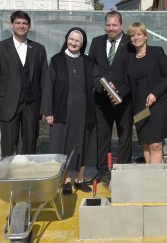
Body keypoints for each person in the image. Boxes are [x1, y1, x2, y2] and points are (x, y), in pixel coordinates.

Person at [42, 27, 98, 194]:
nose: (74, 43)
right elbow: (48, 87)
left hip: (84, 111)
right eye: (71, 39)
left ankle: (80, 180)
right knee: (64, 145)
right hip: (62, 111)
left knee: (83, 145)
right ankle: (66, 180)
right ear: (66, 39)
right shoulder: (57, 60)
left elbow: (97, 81)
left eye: (77, 41)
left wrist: (109, 88)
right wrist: (48, 111)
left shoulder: (88, 62)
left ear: (82, 44)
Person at [0, 10, 48, 157]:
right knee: (8, 145)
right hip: (8, 104)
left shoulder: (38, 49)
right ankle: (8, 176)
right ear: (11, 25)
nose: (21, 26)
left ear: (29, 26)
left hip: (31, 105)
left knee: (30, 144)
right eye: (18, 23)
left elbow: (44, 80)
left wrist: (46, 107)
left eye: (24, 23)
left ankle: (27, 175)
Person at [88, 11, 133, 183]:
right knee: (102, 137)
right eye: (108, 25)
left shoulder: (129, 43)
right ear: (104, 25)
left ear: (121, 25)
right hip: (101, 100)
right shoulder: (96, 42)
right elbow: (91, 69)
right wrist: (102, 87)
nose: (111, 28)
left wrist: (119, 91)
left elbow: (131, 71)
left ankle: (123, 171)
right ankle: (102, 171)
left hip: (124, 100)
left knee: (125, 137)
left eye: (114, 25)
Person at [125, 22, 167, 163]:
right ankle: (150, 179)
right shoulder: (129, 59)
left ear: (146, 36)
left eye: (139, 34)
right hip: (139, 106)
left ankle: (157, 182)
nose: (136, 37)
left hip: (158, 104)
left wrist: (154, 94)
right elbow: (126, 83)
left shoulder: (157, 52)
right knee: (146, 144)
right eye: (132, 35)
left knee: (155, 144)